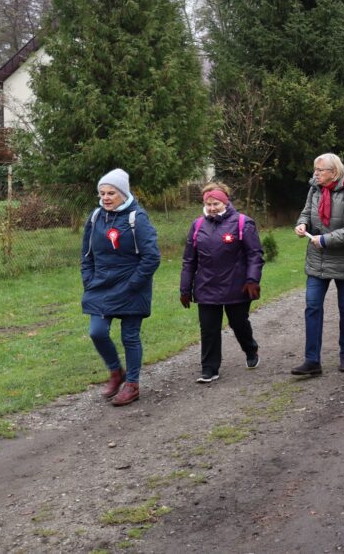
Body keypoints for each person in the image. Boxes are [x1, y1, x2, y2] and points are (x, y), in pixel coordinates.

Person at [81, 168, 160, 406]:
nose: (105, 197)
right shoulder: (96, 217)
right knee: (97, 331)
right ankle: (117, 372)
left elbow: (152, 257)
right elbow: (86, 254)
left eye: (111, 193)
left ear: (123, 194)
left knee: (130, 336)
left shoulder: (138, 218)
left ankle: (132, 385)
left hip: (132, 287)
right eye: (102, 193)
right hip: (101, 286)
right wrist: (89, 279)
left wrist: (134, 284)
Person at [179, 182, 264, 383]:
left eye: (215, 203)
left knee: (238, 323)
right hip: (206, 286)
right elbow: (189, 260)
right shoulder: (197, 225)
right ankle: (209, 368)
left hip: (237, 285)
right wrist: (185, 288)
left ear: (225, 202)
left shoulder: (243, 223)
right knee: (208, 329)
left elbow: (254, 254)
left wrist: (252, 279)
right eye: (208, 204)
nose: (212, 208)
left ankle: (250, 348)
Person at [293, 153, 344, 376]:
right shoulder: (314, 189)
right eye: (314, 170)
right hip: (317, 259)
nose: (315, 174)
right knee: (312, 307)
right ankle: (312, 361)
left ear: (333, 172)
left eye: (320, 170)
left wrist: (326, 240)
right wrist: (302, 223)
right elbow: (306, 211)